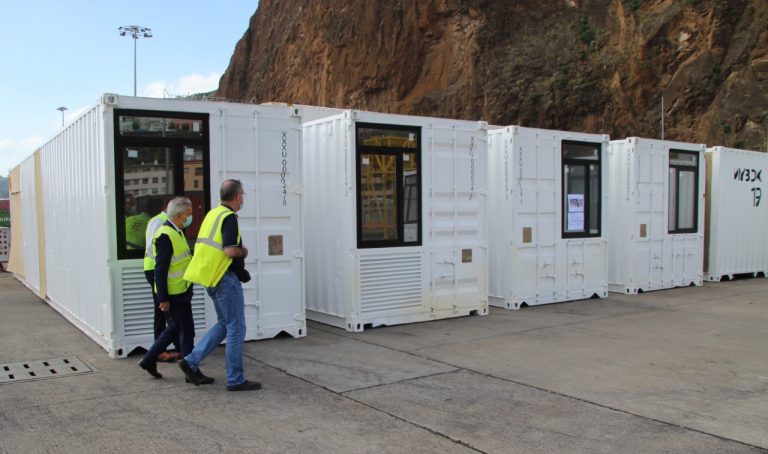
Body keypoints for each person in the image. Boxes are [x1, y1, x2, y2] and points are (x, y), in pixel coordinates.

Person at [179, 179, 260, 391]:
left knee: (224, 324)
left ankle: (190, 361)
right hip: (225, 279)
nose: (243, 198)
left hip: (211, 277)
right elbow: (230, 251)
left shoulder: (212, 214)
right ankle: (235, 379)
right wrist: (244, 251)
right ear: (236, 196)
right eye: (242, 194)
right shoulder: (229, 217)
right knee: (236, 328)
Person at [138, 197, 213, 385]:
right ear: (179, 215)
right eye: (188, 215)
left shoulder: (176, 231)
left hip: (181, 290)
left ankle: (148, 360)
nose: (190, 218)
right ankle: (192, 370)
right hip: (174, 294)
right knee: (187, 331)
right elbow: (160, 269)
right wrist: (162, 297)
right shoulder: (165, 234)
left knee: (175, 328)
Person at [143, 198, 178, 362]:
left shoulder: (165, 221)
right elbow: (151, 247)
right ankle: (159, 351)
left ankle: (178, 348)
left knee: (167, 311)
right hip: (155, 269)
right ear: (168, 207)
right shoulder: (160, 221)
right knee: (162, 310)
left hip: (159, 269)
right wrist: (161, 264)